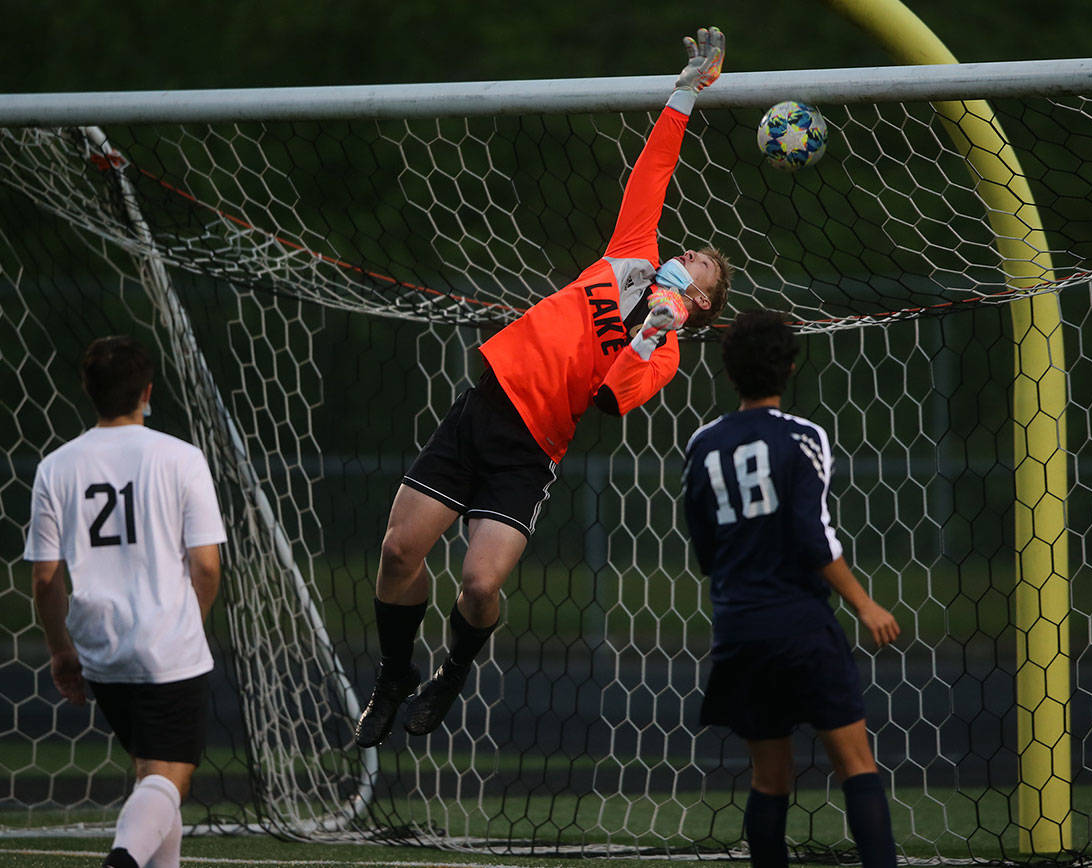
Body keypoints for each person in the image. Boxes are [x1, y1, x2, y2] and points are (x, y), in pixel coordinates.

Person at [354, 26, 735, 749]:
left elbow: (609, 395)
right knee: (399, 552)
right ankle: (394, 673)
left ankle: (451, 674)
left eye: (702, 270)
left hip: (530, 450)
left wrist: (661, 321)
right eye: (690, 253)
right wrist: (687, 89)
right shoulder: (631, 255)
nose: (688, 257)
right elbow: (653, 170)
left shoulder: (662, 354)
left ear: (706, 305)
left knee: (478, 586)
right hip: (484, 407)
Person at [682, 310, 901, 868]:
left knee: (769, 777)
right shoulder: (804, 437)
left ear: (730, 373)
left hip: (739, 628)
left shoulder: (703, 444)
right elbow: (811, 532)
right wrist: (864, 603)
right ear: (791, 367)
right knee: (856, 765)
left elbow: (703, 544)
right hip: (800, 625)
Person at [24, 336, 226, 868]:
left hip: (101, 650)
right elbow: (206, 565)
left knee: (150, 776)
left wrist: (62, 650)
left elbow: (46, 580)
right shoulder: (181, 457)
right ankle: (120, 862)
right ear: (147, 392)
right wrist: (189, 622)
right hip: (167, 646)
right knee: (171, 778)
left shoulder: (55, 468)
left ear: (88, 390)